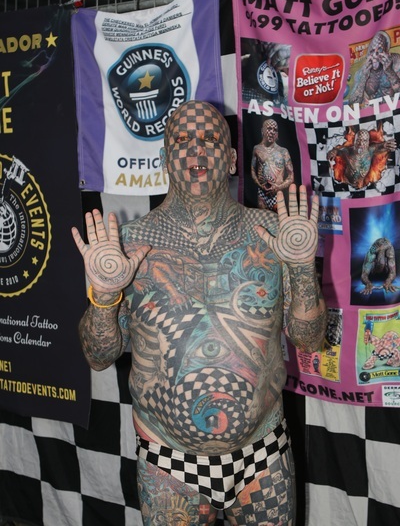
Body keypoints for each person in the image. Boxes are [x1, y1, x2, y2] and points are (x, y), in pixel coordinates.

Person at [72, 100, 327, 526]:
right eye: (182, 140)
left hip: (262, 455)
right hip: (168, 463)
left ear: (232, 159)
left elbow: (310, 339)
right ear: (164, 158)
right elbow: (98, 356)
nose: (196, 150)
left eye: (210, 139)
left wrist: (301, 267)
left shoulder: (271, 234)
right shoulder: (130, 245)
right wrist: (104, 295)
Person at [251, 118, 294, 211]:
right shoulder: (257, 149)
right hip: (262, 194)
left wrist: (278, 187)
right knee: (263, 218)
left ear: (277, 133)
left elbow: (291, 176)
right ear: (262, 130)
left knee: (278, 218)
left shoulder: (283, 151)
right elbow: (252, 170)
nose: (272, 132)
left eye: (275, 130)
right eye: (269, 128)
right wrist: (260, 186)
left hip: (277, 194)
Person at [348, 30, 400, 107]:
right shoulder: (362, 72)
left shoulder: (396, 62)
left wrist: (390, 71)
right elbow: (352, 104)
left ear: (386, 51)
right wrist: (363, 78)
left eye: (380, 50)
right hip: (374, 110)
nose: (375, 55)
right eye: (372, 51)